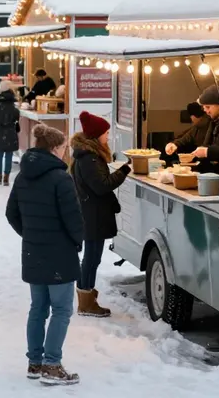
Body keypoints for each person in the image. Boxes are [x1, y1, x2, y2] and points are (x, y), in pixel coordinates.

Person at [6, 124, 83, 385]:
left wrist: (30, 234)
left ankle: (35, 362)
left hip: (33, 251)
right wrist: (76, 240)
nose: (65, 153)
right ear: (53, 148)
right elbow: (73, 220)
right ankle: (52, 365)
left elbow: (11, 214)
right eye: (63, 148)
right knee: (61, 309)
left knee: (38, 308)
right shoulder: (61, 179)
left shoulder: (22, 176)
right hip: (59, 253)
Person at [70, 112, 131, 318]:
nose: (108, 136)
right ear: (96, 136)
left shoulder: (87, 155)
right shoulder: (89, 158)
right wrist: (124, 171)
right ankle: (86, 300)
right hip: (92, 214)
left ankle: (86, 294)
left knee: (92, 257)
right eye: (105, 133)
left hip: (91, 212)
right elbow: (101, 186)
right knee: (91, 257)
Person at [165, 86, 219, 173]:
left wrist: (207, 152)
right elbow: (187, 137)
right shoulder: (213, 122)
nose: (207, 111)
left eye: (208, 107)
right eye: (205, 108)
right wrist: (174, 144)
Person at [0, 86, 21, 186]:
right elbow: (17, 117)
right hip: (10, 132)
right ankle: (6, 177)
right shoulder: (14, 107)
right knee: (9, 155)